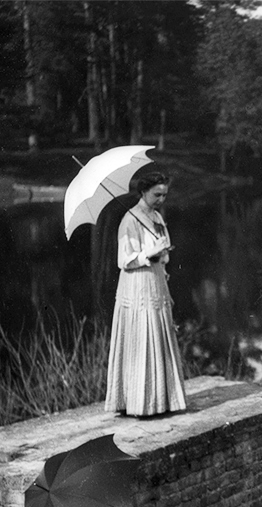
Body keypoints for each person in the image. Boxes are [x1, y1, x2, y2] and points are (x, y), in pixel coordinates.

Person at [104, 169, 187, 417]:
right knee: (141, 335)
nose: (161, 199)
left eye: (164, 195)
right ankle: (138, 403)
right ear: (143, 192)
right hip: (138, 283)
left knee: (158, 334)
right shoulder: (130, 219)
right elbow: (124, 259)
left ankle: (160, 400)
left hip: (157, 281)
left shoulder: (158, 218)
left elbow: (163, 253)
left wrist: (162, 255)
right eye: (156, 194)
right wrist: (147, 255)